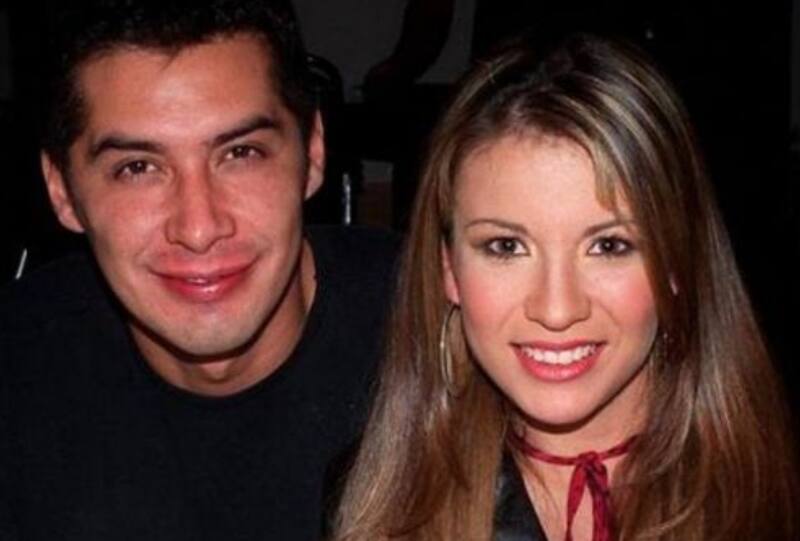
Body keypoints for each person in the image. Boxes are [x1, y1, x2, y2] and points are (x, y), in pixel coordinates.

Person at [332, 34, 798, 540]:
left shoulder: (779, 497)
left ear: (676, 264)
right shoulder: (372, 505)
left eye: (609, 246)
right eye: (506, 246)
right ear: (448, 268)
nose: (556, 309)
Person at [0, 1, 396, 540]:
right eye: (138, 168)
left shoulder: (452, 337)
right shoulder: (16, 375)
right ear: (62, 191)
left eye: (241, 153)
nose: (199, 227)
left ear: (313, 153)